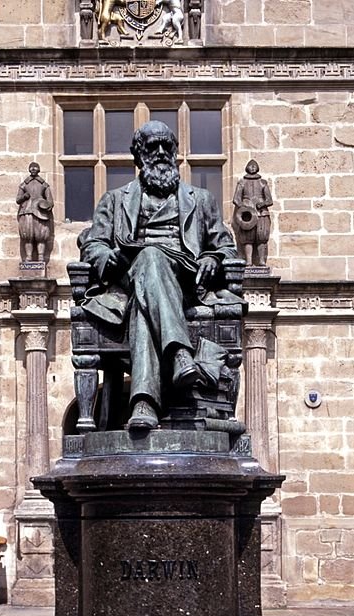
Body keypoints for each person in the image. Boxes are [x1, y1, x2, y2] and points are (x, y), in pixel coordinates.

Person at [79, 120, 237, 430]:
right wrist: (109, 256)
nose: (162, 152)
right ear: (138, 156)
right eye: (152, 147)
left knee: (150, 265)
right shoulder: (114, 200)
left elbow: (227, 248)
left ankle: (144, 403)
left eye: (168, 146)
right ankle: (178, 356)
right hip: (131, 281)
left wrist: (213, 257)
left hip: (188, 281)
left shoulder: (201, 200)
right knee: (147, 269)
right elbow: (92, 247)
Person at [231, 159, 273, 267]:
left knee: (262, 237)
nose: (253, 167)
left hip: (261, 213)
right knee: (247, 238)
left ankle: (261, 261)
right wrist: (243, 207)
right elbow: (236, 199)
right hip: (247, 214)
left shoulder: (262, 182)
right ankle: (249, 261)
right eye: (251, 166)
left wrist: (262, 204)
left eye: (254, 166)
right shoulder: (242, 182)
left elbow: (269, 200)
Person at [16, 162, 54, 263]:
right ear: (29, 169)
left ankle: (41, 256)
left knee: (41, 235)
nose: (33, 169)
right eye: (31, 168)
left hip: (40, 213)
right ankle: (28, 257)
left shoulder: (44, 184)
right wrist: (24, 197)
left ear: (38, 169)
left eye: (35, 167)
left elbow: (50, 201)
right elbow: (18, 199)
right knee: (27, 236)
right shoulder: (24, 184)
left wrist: (46, 205)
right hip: (27, 211)